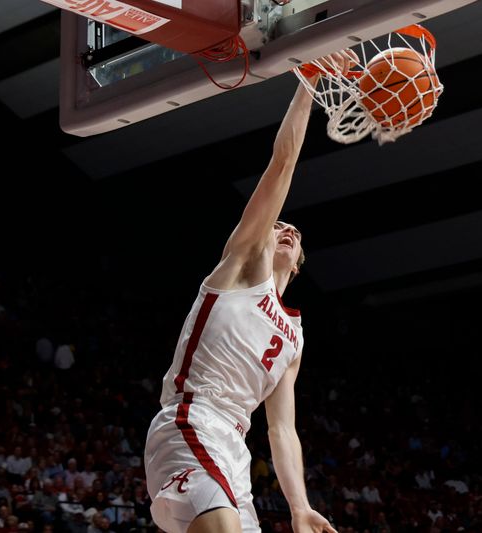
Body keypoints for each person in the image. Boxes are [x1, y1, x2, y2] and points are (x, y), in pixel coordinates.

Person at [144, 50, 356, 533]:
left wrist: (300, 506)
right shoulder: (242, 267)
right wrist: (311, 81)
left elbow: (282, 429)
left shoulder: (296, 339)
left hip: (234, 446)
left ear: (299, 265)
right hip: (190, 420)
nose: (284, 228)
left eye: (293, 232)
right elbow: (282, 165)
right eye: (277, 224)